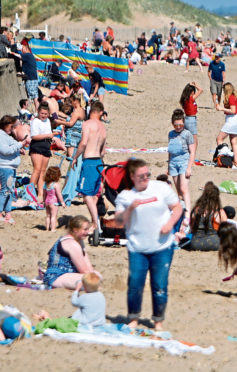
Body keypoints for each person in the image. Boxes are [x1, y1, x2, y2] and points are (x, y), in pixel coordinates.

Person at [114, 159, 183, 330]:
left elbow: (177, 207)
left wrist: (170, 224)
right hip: (137, 248)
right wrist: (130, 208)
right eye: (141, 176)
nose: (145, 179)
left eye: (147, 175)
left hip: (162, 246)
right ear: (132, 176)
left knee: (159, 285)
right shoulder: (125, 196)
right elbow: (118, 222)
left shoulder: (161, 188)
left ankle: (158, 321)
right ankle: (133, 318)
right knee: (135, 284)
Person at [75, 100, 107, 233]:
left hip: (88, 161)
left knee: (86, 195)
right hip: (99, 162)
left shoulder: (87, 124)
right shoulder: (103, 128)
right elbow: (103, 151)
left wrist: (75, 157)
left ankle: (95, 223)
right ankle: (95, 222)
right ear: (100, 112)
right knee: (93, 195)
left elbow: (83, 143)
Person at [43, 215, 98, 289]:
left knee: (96, 276)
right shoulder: (71, 244)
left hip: (69, 273)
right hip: (56, 276)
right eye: (85, 229)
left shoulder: (79, 240)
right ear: (75, 230)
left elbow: (87, 263)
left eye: (88, 229)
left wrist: (93, 276)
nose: (88, 232)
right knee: (88, 282)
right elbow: (84, 270)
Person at [0, 115, 28, 224]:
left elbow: (10, 148)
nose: (12, 129)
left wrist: (18, 149)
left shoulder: (5, 136)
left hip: (10, 166)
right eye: (11, 127)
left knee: (10, 191)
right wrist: (20, 145)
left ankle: (7, 213)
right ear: (5, 125)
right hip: (4, 166)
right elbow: (5, 150)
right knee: (5, 191)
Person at [167, 109, 196, 234]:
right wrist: (168, 165)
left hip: (184, 162)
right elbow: (170, 150)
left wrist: (189, 167)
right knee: (178, 190)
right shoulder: (171, 134)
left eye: (180, 125)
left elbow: (192, 152)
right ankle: (181, 210)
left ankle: (188, 212)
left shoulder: (187, 134)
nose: (178, 127)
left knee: (184, 188)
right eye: (176, 125)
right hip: (173, 163)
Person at [185, 182, 229, 251]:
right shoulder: (220, 212)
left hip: (196, 244)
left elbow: (192, 227)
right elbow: (226, 231)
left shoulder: (196, 210)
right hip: (214, 243)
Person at [29, 103, 55, 202]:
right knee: (37, 169)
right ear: (38, 113)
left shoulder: (48, 121)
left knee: (43, 171)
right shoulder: (35, 121)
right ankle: (30, 192)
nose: (43, 115)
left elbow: (49, 134)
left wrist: (50, 138)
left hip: (46, 146)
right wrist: (48, 135)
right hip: (37, 145)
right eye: (42, 113)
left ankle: (40, 193)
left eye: (45, 113)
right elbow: (34, 136)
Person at [216, 82, 237, 167]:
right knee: (233, 142)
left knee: (219, 139)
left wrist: (221, 109)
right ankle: (236, 160)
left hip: (232, 120)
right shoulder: (234, 97)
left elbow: (233, 110)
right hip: (236, 120)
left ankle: (221, 156)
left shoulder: (231, 97)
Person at [180, 81, 203, 150]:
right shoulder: (190, 99)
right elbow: (201, 90)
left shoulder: (184, 99)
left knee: (188, 139)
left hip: (187, 118)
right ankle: (192, 156)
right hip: (191, 119)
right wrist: (196, 85)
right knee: (194, 140)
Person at [43, 166, 65, 232]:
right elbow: (59, 194)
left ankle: (47, 228)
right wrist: (62, 202)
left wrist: (44, 201)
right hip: (54, 202)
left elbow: (44, 194)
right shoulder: (55, 185)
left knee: (48, 216)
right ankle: (53, 229)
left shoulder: (45, 184)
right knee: (53, 216)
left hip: (47, 201)